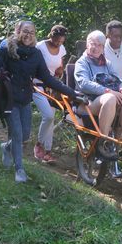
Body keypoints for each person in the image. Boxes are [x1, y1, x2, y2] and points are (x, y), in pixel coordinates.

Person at [0, 20, 78, 183]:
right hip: (8, 98)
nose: (28, 35)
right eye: (25, 31)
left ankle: (6, 147)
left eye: (32, 32)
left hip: (24, 99)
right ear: (18, 31)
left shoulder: (35, 54)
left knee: (25, 135)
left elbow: (48, 78)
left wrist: (72, 93)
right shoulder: (6, 49)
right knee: (16, 133)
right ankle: (20, 170)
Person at [74, 30, 122, 160]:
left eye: (99, 45)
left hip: (106, 101)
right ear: (87, 44)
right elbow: (84, 84)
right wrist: (107, 91)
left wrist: (121, 88)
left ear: (103, 47)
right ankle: (103, 142)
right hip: (86, 103)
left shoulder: (107, 63)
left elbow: (117, 80)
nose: (95, 47)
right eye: (92, 44)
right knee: (110, 98)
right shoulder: (82, 62)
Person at [32, 24, 68, 163]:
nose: (58, 43)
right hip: (37, 85)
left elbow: (60, 67)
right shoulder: (40, 47)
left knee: (51, 117)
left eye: (61, 41)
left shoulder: (62, 49)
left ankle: (47, 151)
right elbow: (33, 65)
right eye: (56, 40)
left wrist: (60, 71)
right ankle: (39, 145)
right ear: (51, 36)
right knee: (47, 116)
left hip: (52, 86)